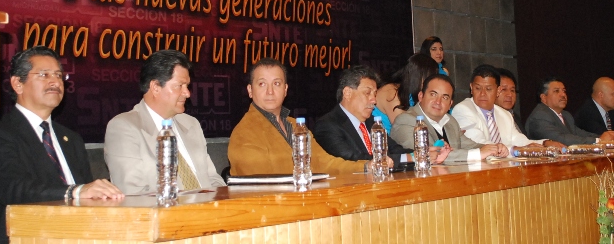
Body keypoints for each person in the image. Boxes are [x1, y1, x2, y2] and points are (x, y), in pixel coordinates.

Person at [0, 46, 123, 244]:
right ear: (18, 84)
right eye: (44, 75)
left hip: (82, 234)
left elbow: (88, 195)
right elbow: (14, 189)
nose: (55, 81)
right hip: (26, 235)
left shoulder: (71, 139)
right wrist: (75, 192)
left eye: (58, 75)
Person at [104, 50, 225, 194]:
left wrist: (224, 199)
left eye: (187, 86)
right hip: (165, 208)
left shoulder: (191, 124)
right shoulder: (124, 127)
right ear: (155, 87)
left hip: (209, 206)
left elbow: (213, 179)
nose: (187, 93)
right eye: (179, 86)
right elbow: (133, 194)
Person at [227, 58, 367, 176]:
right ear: (250, 90)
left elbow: (324, 163)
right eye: (262, 84)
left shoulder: (295, 126)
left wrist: (365, 167)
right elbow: (262, 183)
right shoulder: (243, 133)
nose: (270, 91)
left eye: (276, 83)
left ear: (285, 90)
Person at [315, 66, 442, 166]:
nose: (374, 100)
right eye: (367, 93)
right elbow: (356, 161)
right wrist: (412, 157)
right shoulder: (327, 126)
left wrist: (424, 153)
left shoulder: (372, 122)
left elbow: (394, 149)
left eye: (375, 94)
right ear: (347, 93)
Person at [391, 74, 509, 162]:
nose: (438, 101)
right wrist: (479, 154)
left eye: (445, 97)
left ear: (450, 104)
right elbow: (430, 155)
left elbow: (470, 146)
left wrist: (494, 148)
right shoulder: (406, 121)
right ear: (421, 96)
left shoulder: (450, 121)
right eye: (433, 94)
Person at [452, 65, 563, 149]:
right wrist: (515, 150)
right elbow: (479, 143)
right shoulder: (463, 109)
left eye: (488, 89)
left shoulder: (505, 114)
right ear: (471, 88)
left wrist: (544, 143)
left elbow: (519, 140)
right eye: (478, 88)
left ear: (498, 90)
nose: (482, 94)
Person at [525, 78, 614, 145]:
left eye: (564, 91)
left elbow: (579, 133)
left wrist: (607, 136)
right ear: (543, 98)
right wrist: (598, 140)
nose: (563, 95)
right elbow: (560, 139)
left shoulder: (566, 115)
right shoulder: (540, 116)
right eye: (556, 91)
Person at [495, 67, 527, 134]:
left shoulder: (515, 117)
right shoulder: (489, 119)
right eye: (504, 89)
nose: (510, 94)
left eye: (512, 90)